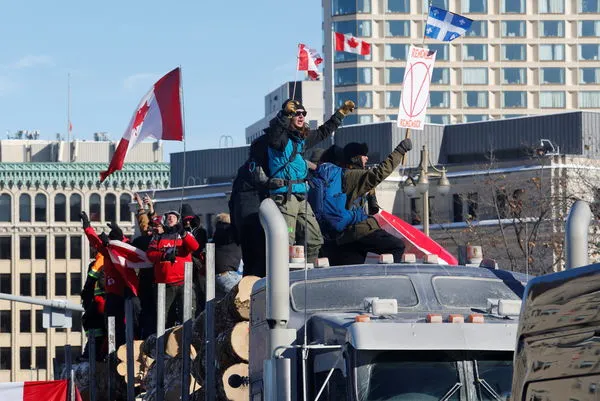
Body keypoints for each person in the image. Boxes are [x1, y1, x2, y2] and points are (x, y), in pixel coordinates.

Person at [265, 98, 355, 263]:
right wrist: (284, 114)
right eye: (296, 113)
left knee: (314, 238)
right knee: (285, 241)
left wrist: (339, 115)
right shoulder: (280, 138)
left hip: (300, 196)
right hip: (285, 197)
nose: (301, 117)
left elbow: (322, 132)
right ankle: (282, 279)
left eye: (303, 114)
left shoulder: (300, 140)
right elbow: (274, 137)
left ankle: (307, 275)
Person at [311, 138, 413, 265]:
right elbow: (378, 174)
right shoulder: (352, 175)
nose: (367, 158)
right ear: (355, 158)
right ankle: (387, 281)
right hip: (358, 230)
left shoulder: (334, 177)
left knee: (349, 272)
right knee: (396, 246)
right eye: (363, 155)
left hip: (340, 237)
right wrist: (400, 150)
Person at [80, 212, 140, 348]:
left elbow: (129, 249)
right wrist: (87, 226)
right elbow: (95, 241)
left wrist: (119, 235)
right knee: (112, 323)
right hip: (112, 293)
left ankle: (131, 345)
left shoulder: (125, 251)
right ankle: (114, 349)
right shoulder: (107, 251)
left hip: (128, 291)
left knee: (131, 321)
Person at [146, 210, 199, 328]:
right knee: (163, 319)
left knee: (188, 317)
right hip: (165, 285)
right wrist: (163, 255)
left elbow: (194, 246)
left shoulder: (184, 234)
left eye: (173, 217)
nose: (170, 218)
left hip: (184, 283)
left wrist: (183, 233)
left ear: (178, 220)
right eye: (168, 217)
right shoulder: (157, 236)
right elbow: (149, 254)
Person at [212, 213, 242, 298]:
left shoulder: (217, 234)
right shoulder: (230, 232)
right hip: (228, 274)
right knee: (241, 298)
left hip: (219, 274)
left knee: (220, 306)